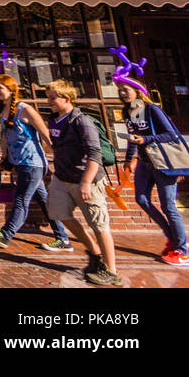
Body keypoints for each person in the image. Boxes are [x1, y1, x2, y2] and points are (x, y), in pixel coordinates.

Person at [44, 80, 123, 287]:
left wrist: (86, 182)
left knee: (98, 224)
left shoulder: (82, 121)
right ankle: (95, 253)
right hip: (62, 178)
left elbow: (95, 153)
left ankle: (111, 271)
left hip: (86, 180)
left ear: (66, 99)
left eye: (52, 98)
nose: (48, 101)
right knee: (58, 213)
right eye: (48, 97)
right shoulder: (54, 119)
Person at [0, 75, 71, 252]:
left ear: (11, 89)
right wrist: (4, 158)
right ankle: (63, 238)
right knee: (45, 201)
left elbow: (45, 133)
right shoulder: (4, 110)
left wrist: (59, 157)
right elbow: (5, 136)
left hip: (32, 162)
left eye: (0, 87)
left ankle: (5, 235)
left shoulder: (26, 110)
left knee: (21, 198)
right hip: (19, 162)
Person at [118, 80, 188, 267]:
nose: (123, 94)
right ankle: (173, 238)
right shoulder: (128, 112)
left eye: (126, 90)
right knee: (141, 199)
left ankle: (182, 250)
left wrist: (146, 139)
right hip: (144, 162)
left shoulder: (151, 109)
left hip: (163, 162)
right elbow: (133, 138)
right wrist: (128, 159)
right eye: (120, 91)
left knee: (168, 207)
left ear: (138, 91)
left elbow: (171, 134)